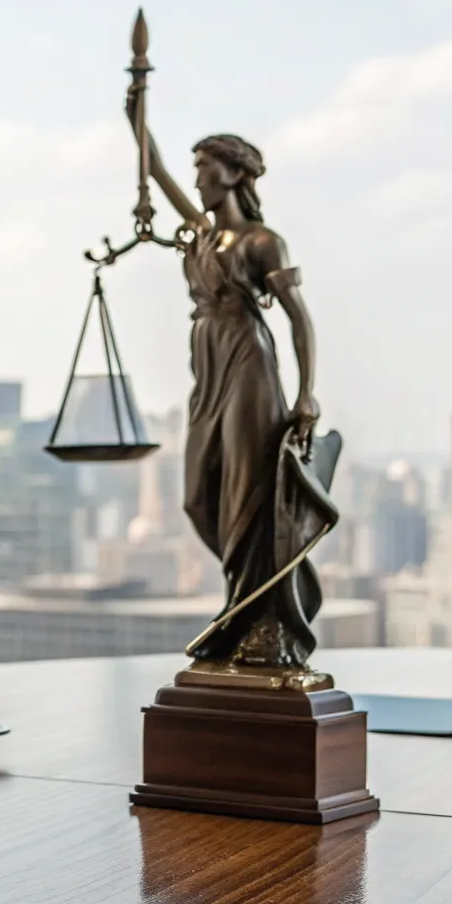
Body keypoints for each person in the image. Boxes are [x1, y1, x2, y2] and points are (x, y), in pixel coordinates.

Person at [129, 87, 339, 675]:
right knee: (200, 496)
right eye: (194, 168)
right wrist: (136, 119)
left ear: (234, 172)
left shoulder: (260, 242)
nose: (196, 179)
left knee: (249, 497)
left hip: (250, 365)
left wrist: (305, 392)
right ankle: (250, 606)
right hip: (209, 364)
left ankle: (255, 619)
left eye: (205, 168)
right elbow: (157, 169)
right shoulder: (201, 235)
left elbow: (299, 319)